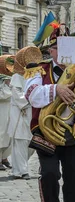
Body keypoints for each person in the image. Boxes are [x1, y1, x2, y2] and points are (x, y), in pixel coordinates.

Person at [25, 26, 75, 202]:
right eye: (58, 47)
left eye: (69, 47)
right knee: (49, 174)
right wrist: (57, 90)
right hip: (45, 131)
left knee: (74, 178)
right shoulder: (38, 69)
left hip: (74, 131)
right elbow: (32, 95)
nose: (63, 52)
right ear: (51, 50)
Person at [7, 51, 33, 180]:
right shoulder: (16, 76)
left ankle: (18, 168)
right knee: (20, 141)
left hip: (31, 112)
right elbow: (17, 93)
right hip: (20, 112)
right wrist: (28, 102)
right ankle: (22, 170)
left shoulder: (34, 75)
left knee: (31, 143)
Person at [0, 65, 12, 171]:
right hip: (1, 111)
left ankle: (5, 158)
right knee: (1, 134)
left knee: (8, 135)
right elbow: (3, 95)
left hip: (9, 111)